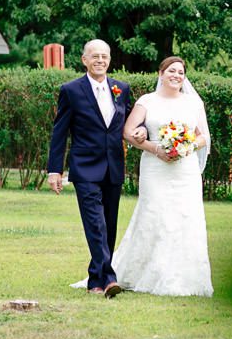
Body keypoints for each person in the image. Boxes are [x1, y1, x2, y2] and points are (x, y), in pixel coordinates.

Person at [112, 55, 214, 297]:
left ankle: (182, 279)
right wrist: (155, 148)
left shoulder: (193, 104)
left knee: (184, 217)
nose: (176, 75)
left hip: (185, 169)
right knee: (153, 213)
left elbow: (202, 137)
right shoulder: (147, 101)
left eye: (180, 72)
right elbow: (128, 131)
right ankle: (141, 274)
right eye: (171, 71)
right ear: (161, 74)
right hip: (154, 167)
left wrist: (186, 147)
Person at [46, 39, 133, 298]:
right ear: (84, 60)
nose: (100, 60)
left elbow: (128, 123)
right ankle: (109, 278)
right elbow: (59, 133)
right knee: (95, 223)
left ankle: (95, 279)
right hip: (84, 167)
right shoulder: (71, 90)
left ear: (109, 59)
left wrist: (141, 133)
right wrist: (54, 170)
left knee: (109, 223)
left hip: (114, 166)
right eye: (94, 56)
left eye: (104, 56)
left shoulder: (122, 88)